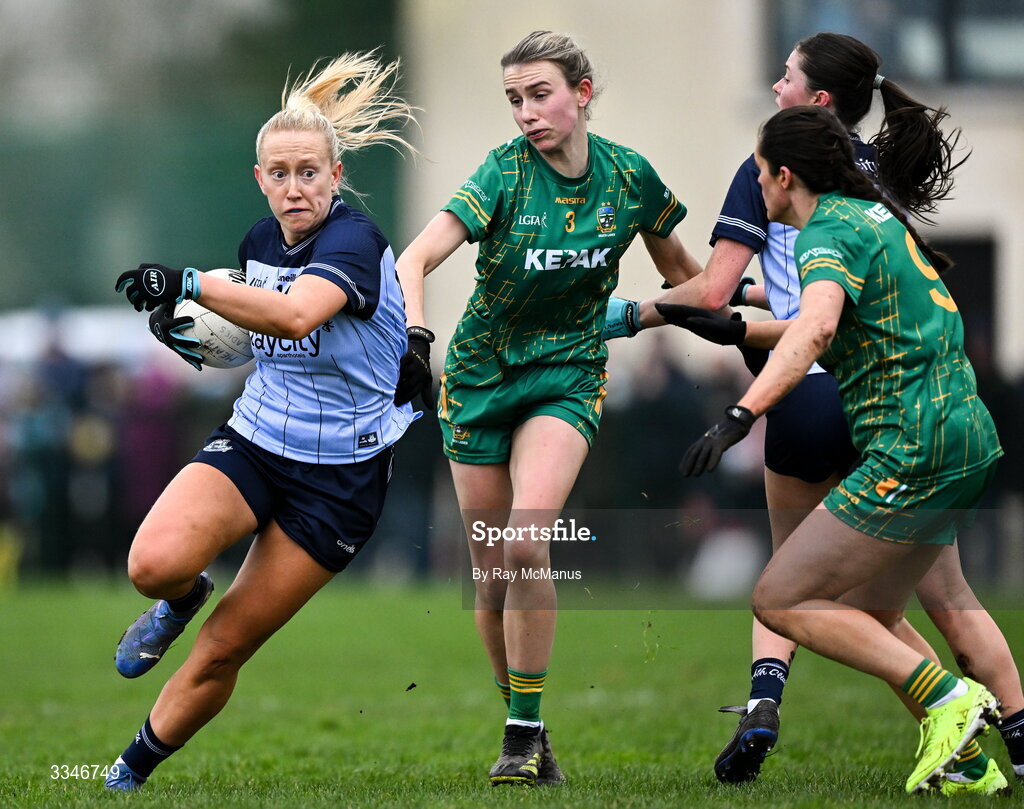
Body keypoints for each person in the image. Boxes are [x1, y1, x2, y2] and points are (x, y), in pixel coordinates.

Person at [606, 33, 1023, 792]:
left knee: (781, 593)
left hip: (908, 442)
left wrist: (738, 409)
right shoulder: (874, 206)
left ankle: (946, 701)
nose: (755, 182)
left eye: (762, 172)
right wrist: (740, 324)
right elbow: (813, 310)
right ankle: (978, 757)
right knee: (891, 605)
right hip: (963, 430)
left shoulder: (823, 227)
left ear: (785, 171)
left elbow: (814, 328)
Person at [394, 30, 702, 786]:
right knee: (492, 574)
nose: (525, 113)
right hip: (477, 382)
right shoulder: (502, 174)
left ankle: (520, 734)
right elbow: (413, 256)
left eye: (539, 94)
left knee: (528, 543)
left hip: (567, 377)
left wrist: (655, 316)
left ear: (583, 92)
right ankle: (527, 726)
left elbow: (695, 285)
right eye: (513, 100)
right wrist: (415, 334)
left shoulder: (631, 178)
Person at [104, 52, 416, 791]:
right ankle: (182, 598)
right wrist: (201, 336)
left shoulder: (355, 242)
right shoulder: (257, 242)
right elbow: (263, 338)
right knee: (151, 565)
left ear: (336, 176)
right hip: (257, 439)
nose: (294, 186)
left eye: (309, 171)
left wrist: (191, 283)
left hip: (339, 480)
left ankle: (124, 773)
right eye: (279, 172)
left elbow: (299, 311)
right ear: (260, 179)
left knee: (221, 650)